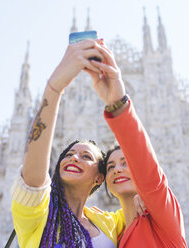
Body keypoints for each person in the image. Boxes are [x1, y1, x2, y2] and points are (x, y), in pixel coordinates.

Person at [10, 39, 128, 248]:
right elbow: (33, 177)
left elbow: (149, 187)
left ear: (99, 178)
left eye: (86, 156)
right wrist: (55, 88)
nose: (73, 157)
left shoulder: (109, 222)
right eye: (68, 154)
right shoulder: (38, 214)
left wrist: (119, 102)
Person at [85, 41, 188, 247]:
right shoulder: (111, 234)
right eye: (111, 166)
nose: (117, 170)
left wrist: (118, 103)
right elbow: (71, 205)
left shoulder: (162, 221)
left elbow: (148, 171)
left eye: (126, 162)